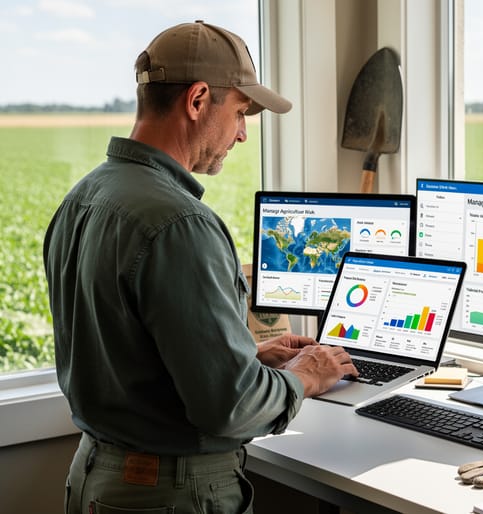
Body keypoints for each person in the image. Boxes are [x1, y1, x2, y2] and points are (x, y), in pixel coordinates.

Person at [43, 21, 357, 514]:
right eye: (240, 112)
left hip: (96, 479)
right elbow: (231, 408)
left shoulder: (84, 197)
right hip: (168, 494)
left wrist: (245, 359)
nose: (242, 134)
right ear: (197, 100)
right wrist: (307, 376)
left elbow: (129, 355)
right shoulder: (180, 223)